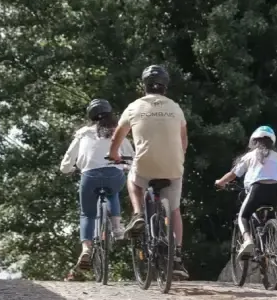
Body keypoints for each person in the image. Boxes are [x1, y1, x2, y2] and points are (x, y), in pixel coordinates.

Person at [108, 65, 189, 279]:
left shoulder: (134, 107)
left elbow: (118, 136)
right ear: (165, 86)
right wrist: (178, 156)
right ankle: (177, 256)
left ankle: (138, 214)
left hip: (144, 164)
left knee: (133, 180)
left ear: (143, 85)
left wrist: (114, 154)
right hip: (173, 166)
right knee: (174, 210)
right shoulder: (175, 108)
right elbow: (183, 140)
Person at [60, 98, 134, 271]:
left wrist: (68, 169)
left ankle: (86, 249)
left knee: (87, 214)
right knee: (113, 191)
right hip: (114, 175)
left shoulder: (83, 133)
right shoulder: (117, 131)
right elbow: (131, 156)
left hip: (89, 177)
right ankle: (117, 227)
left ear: (91, 116)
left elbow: (67, 161)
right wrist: (126, 166)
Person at [215, 126, 277, 258]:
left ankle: (248, 240)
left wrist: (220, 182)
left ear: (254, 141)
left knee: (243, 216)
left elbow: (233, 174)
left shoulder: (250, 156)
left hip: (257, 190)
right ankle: (268, 247)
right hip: (275, 192)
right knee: (270, 217)